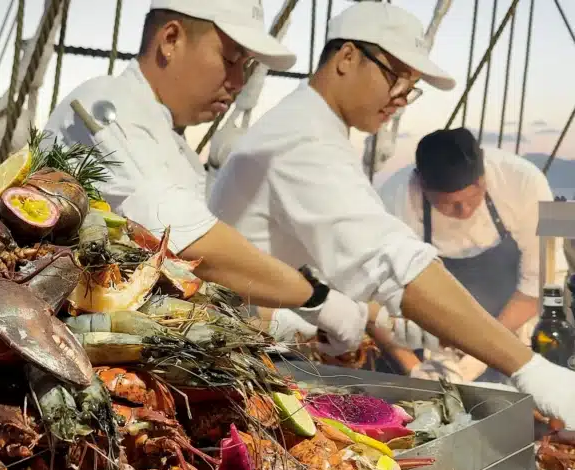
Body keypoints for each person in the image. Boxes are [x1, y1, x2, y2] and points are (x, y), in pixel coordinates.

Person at [208, 1, 575, 426]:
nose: (401, 100)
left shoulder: (531, 181)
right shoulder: (319, 148)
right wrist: (519, 368)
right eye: (396, 79)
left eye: (411, 88)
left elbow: (545, 279)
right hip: (235, 345)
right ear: (346, 57)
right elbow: (390, 267)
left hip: (504, 321)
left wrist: (508, 357)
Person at [42, 0, 371, 355]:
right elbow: (190, 245)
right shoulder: (107, 105)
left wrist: (287, 326)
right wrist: (318, 300)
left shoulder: (175, 147)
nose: (239, 82)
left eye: (245, 66)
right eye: (231, 59)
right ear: (170, 39)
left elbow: (187, 280)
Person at [377, 128, 558, 383]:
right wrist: (414, 370)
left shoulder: (530, 180)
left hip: (511, 319)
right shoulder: (391, 197)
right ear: (421, 184)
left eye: (474, 198)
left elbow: (543, 280)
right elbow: (379, 297)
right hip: (432, 329)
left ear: (484, 175)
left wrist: (482, 352)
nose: (463, 211)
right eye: (448, 204)